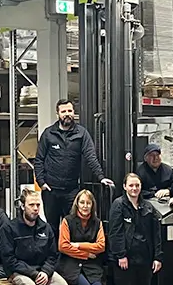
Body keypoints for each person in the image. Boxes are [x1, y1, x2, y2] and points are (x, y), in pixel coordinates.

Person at [33, 98, 114, 235]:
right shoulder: (48, 134)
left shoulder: (81, 133)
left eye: (69, 111)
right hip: (51, 190)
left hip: (71, 191)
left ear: (74, 112)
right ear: (58, 114)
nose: (67, 114)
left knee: (73, 228)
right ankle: (54, 250)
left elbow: (91, 157)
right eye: (63, 111)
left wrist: (101, 177)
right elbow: (39, 160)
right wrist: (41, 183)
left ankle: (70, 250)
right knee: (52, 229)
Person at [109, 173, 163, 285]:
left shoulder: (148, 207)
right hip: (125, 260)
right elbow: (115, 232)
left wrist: (157, 256)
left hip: (144, 259)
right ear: (125, 186)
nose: (134, 188)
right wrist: (121, 255)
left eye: (137, 185)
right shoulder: (118, 205)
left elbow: (156, 234)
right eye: (131, 185)